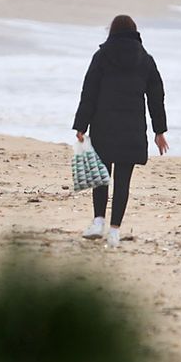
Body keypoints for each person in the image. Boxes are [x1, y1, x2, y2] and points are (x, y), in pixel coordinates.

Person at [72, 14, 169, 248]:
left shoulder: (102, 56)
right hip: (132, 128)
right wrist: (159, 131)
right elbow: (156, 98)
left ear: (112, 31)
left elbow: (89, 92)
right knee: (123, 181)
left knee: (101, 177)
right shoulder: (145, 60)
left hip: (103, 125)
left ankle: (98, 222)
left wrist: (81, 125)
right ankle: (114, 231)